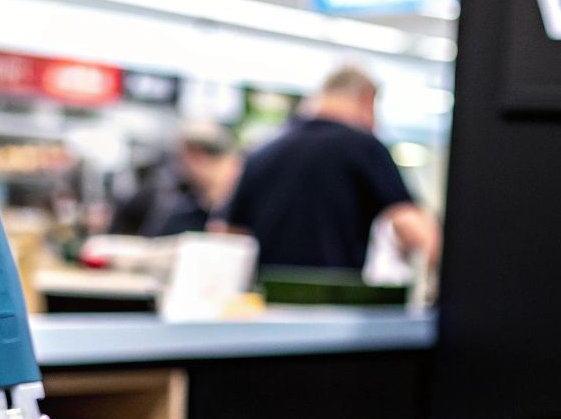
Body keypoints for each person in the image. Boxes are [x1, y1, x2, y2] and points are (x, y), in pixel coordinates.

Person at [216, 66, 440, 271]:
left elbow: (228, 234)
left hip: (266, 304)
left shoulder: (263, 150)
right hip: (335, 302)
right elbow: (414, 230)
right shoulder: (363, 146)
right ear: (366, 100)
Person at [110, 121, 241, 237]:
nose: (179, 165)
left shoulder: (243, 202)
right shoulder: (183, 203)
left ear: (195, 156)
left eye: (180, 157)